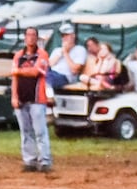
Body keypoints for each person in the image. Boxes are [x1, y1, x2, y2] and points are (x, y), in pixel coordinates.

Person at [11, 26, 52, 173]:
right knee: (25, 131)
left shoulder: (42, 55)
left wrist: (19, 71)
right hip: (21, 98)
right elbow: (14, 77)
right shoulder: (18, 56)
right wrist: (14, 96)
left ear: (37, 37)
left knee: (40, 131)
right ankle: (30, 161)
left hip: (37, 98)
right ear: (24, 37)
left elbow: (36, 71)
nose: (31, 38)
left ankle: (45, 160)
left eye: (34, 35)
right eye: (28, 35)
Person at [47, 23, 86, 90]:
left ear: (73, 36)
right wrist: (61, 52)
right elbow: (49, 64)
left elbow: (74, 70)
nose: (64, 38)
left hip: (65, 77)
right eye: (62, 36)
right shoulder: (57, 50)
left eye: (66, 35)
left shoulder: (80, 50)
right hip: (51, 73)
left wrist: (65, 52)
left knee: (47, 79)